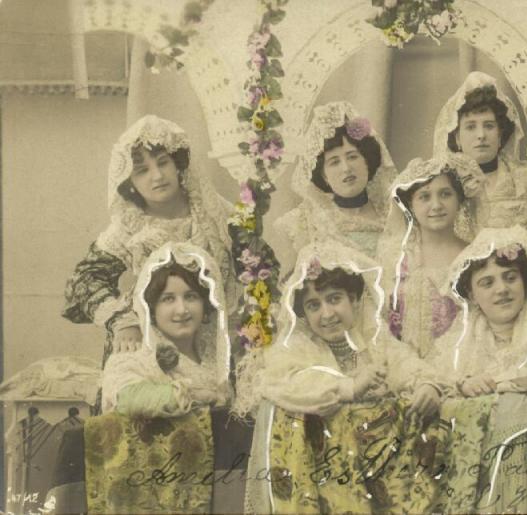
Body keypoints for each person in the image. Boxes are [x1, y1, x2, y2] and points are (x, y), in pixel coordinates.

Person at [234, 241, 447, 513]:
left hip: (380, 464)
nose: (327, 314)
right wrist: (350, 387)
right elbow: (288, 383)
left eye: (334, 299)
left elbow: (403, 363)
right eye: (313, 305)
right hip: (324, 468)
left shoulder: (373, 338)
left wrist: (425, 384)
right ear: (303, 314)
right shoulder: (297, 347)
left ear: (355, 301)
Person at [63, 115, 276, 370]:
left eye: (163, 163)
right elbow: (84, 281)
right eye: (142, 170)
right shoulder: (129, 226)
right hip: (151, 348)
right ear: (129, 182)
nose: (157, 176)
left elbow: (263, 269)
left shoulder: (215, 214)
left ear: (178, 164)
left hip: (215, 342)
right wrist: (123, 321)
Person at [429, 226, 527, 513]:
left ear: (525, 281)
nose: (502, 290)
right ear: (471, 294)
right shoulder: (458, 341)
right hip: (477, 474)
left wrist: (497, 386)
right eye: (487, 283)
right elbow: (437, 382)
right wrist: (462, 385)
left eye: (510, 278)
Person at [84, 242, 232, 513]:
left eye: (191, 297)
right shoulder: (133, 356)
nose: (181, 310)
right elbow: (126, 399)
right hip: (154, 492)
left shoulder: (218, 360)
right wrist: (191, 396)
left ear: (207, 302)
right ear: (150, 307)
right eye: (168, 299)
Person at [433, 72, 527, 255]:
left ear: (500, 135)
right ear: (457, 138)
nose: (481, 135)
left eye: (489, 126)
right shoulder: (443, 186)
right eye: (471, 126)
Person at [379, 154, 479, 357]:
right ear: (411, 206)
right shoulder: (396, 258)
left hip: (459, 364)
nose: (436, 205)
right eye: (424, 197)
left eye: (445, 194)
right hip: (405, 366)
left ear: (459, 200)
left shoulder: (474, 256)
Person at [275, 101, 397, 259]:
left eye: (352, 157)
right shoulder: (302, 224)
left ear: (367, 160)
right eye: (334, 162)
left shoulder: (393, 214)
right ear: (324, 176)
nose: (346, 168)